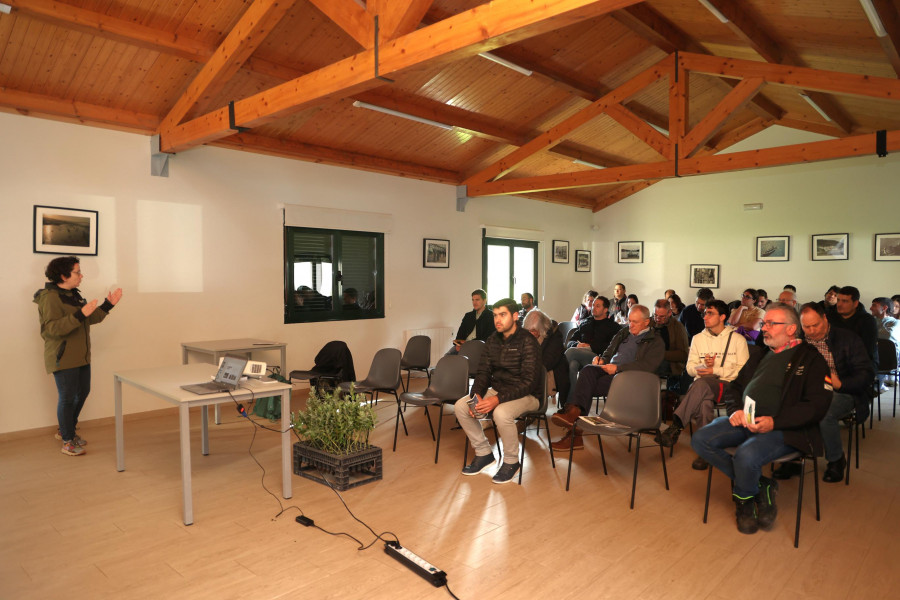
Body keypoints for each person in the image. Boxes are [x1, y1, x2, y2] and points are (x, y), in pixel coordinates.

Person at [691, 303, 832, 535]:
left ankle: (744, 501)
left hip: (785, 429)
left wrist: (775, 422)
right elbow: (734, 388)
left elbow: (817, 406)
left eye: (771, 324)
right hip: (746, 420)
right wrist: (735, 411)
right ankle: (760, 485)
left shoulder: (811, 359)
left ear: (791, 329)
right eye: (764, 323)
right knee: (701, 439)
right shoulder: (759, 354)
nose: (764, 328)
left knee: (747, 454)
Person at [771, 303, 873, 483]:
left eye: (815, 325)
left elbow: (866, 374)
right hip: (806, 390)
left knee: (824, 411)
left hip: (842, 391)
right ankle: (793, 457)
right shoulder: (797, 341)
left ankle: (835, 459)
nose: (811, 331)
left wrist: (841, 383)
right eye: (806, 327)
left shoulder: (848, 339)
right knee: (786, 406)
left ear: (825, 319)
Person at [34, 256, 123, 456]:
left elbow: (86, 319)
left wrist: (108, 304)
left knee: (82, 393)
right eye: (77, 272)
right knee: (67, 398)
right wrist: (80, 314)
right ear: (64, 275)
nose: (81, 276)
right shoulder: (50, 297)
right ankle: (67, 440)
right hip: (63, 356)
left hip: (81, 356)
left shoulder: (72, 294)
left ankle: (67, 430)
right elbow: (51, 329)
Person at [551, 305, 665, 450]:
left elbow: (647, 366)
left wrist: (618, 368)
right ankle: (575, 416)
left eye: (635, 322)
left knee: (585, 387)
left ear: (647, 322)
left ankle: (575, 427)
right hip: (610, 370)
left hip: (630, 379)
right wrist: (603, 359)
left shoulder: (655, 341)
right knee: (588, 370)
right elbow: (610, 349)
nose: (631, 325)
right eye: (629, 321)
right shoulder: (624, 332)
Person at [455, 298, 542, 484]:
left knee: (501, 413)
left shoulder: (528, 340)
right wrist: (476, 394)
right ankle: (484, 453)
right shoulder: (493, 340)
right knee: (461, 406)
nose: (497, 320)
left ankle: (511, 461)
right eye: (495, 315)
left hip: (528, 395)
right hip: (498, 391)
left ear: (515, 316)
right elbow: (483, 371)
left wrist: (497, 400)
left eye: (502, 315)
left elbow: (529, 382)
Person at [658, 300, 750, 470]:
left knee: (700, 387)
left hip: (728, 387)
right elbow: (690, 368)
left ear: (722, 317)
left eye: (710, 313)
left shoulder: (737, 339)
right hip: (702, 386)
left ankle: (676, 426)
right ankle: (705, 452)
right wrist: (703, 369)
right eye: (704, 313)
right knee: (703, 399)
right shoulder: (698, 339)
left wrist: (716, 370)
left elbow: (743, 373)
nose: (705, 316)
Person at [563, 296, 621, 404]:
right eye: (593, 305)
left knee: (570, 353)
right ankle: (572, 403)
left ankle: (567, 400)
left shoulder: (613, 327)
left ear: (605, 309)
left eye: (598, 306)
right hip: (579, 355)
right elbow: (569, 342)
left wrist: (589, 347)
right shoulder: (586, 323)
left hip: (597, 358)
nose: (594, 307)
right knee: (572, 365)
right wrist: (577, 345)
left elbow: (611, 347)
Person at [524, 309, 570, 405]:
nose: (530, 333)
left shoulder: (555, 335)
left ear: (541, 329)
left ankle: (530, 403)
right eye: (528, 330)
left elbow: (548, 361)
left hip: (553, 371)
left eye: (533, 330)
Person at [829, 285, 879, 374]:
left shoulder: (867, 321)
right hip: (834, 359)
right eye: (838, 300)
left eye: (845, 301)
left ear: (855, 303)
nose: (839, 304)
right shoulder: (830, 317)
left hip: (861, 362)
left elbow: (867, 350)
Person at [651, 299, 689, 386]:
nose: (657, 319)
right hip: (649, 359)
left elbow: (683, 355)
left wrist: (660, 354)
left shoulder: (678, 327)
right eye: (655, 315)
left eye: (661, 316)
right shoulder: (649, 323)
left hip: (670, 363)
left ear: (669, 313)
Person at [448, 289, 495, 355]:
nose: (474, 303)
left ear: (484, 301)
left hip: (478, 346)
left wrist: (468, 344)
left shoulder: (491, 316)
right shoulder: (468, 315)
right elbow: (460, 333)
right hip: (463, 345)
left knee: (461, 360)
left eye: (477, 300)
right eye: (473, 300)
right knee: (447, 357)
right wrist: (458, 344)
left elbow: (488, 337)